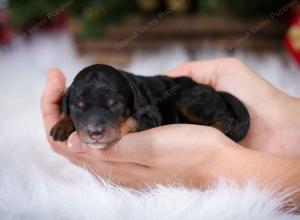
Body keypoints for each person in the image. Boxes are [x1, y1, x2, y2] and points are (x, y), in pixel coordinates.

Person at [41, 58, 300, 207]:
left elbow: (149, 119)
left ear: (131, 101)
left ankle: (221, 122)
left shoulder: (140, 99)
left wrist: (217, 159)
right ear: (70, 104)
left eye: (114, 106)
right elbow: (70, 108)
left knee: (190, 102)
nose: (95, 128)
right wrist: (66, 120)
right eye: (80, 109)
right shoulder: (73, 101)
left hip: (188, 95)